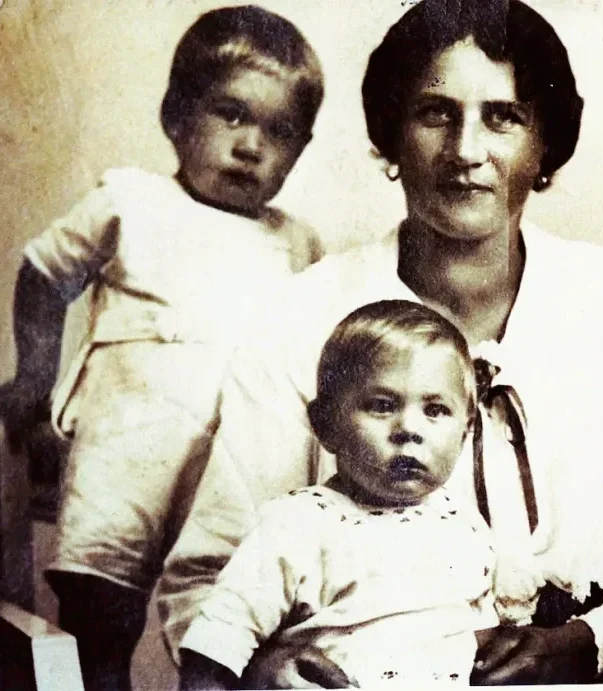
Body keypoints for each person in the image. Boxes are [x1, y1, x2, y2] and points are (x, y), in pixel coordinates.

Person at [159, 0, 603, 685]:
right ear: (392, 136)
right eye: (435, 113)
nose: (466, 151)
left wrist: (587, 642)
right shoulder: (306, 313)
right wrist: (266, 674)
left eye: (503, 116)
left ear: (544, 143)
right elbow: (207, 572)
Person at [0, 6, 325, 690]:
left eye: (279, 130)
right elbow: (43, 273)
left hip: (232, 472)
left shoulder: (297, 244)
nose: (250, 145)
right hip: (128, 451)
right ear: (177, 115)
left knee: (222, 627)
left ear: (300, 149)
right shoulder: (131, 200)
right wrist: (34, 376)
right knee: (101, 628)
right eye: (230, 114)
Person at [179, 300, 504, 689]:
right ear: (326, 425)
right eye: (382, 407)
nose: (409, 429)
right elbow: (212, 652)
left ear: (466, 430)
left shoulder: (464, 523)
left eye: (435, 410)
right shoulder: (297, 525)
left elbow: (482, 638)